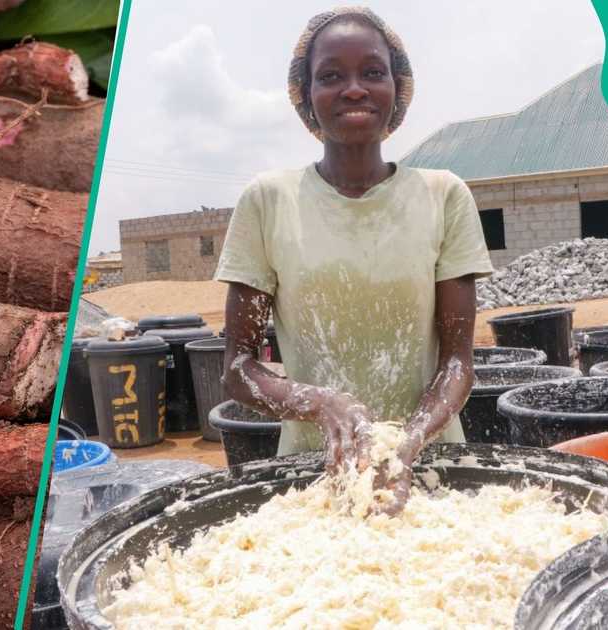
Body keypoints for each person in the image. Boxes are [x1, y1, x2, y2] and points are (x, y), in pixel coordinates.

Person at [215, 6, 494, 514]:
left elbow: (457, 362)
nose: (354, 89)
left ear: (397, 88)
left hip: (433, 469)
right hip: (314, 477)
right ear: (306, 95)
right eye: (330, 76)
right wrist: (322, 404)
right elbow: (239, 368)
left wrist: (407, 441)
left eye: (372, 72)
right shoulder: (268, 201)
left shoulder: (443, 196)